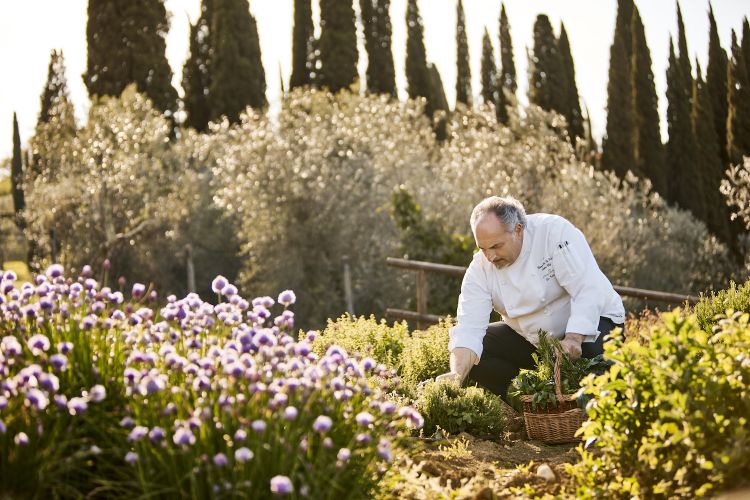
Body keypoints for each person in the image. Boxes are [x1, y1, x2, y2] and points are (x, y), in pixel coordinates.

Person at [436, 196, 625, 403]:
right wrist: (457, 374)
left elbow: (586, 290)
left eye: (497, 246)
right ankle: (531, 400)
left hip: (593, 323)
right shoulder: (480, 270)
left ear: (518, 230)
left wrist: (573, 338)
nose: (490, 256)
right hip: (535, 339)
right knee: (478, 353)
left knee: (597, 367)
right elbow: (468, 329)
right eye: (483, 248)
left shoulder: (554, 233)